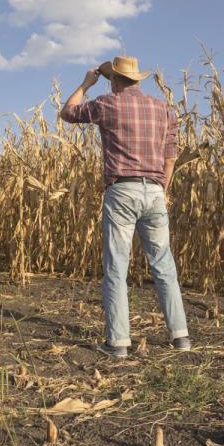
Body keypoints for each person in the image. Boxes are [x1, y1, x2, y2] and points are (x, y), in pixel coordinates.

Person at [60, 55, 190, 359]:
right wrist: (161, 190)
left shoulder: (107, 103)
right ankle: (181, 336)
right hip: (155, 191)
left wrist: (86, 84)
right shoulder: (162, 109)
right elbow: (171, 157)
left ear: (114, 79)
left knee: (116, 268)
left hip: (122, 191)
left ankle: (118, 342)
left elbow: (67, 113)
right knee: (164, 266)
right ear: (136, 79)